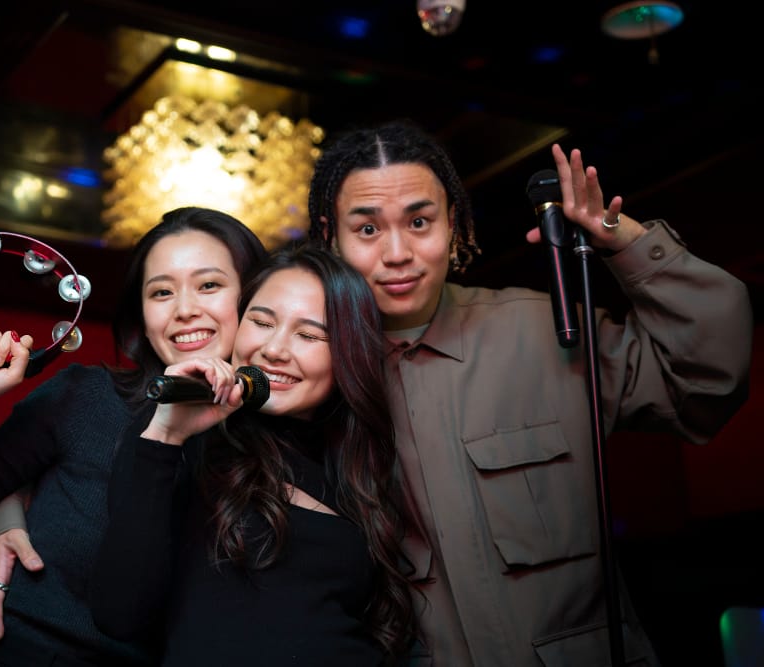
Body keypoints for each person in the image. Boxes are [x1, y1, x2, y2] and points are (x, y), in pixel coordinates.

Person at [305, 119, 753, 666]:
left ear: (454, 222)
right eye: (368, 229)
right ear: (331, 235)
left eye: (419, 221)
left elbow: (706, 380)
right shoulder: (314, 374)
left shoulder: (544, 330)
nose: (397, 252)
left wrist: (628, 244)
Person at [0, 206, 269, 666]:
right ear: (141, 313)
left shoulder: (282, 435)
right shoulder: (86, 397)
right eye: (161, 292)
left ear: (255, 296)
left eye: (209, 285)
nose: (184, 310)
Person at [88, 245, 419, 666]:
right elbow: (119, 614)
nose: (274, 349)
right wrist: (166, 436)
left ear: (347, 353)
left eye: (308, 335)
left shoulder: (357, 467)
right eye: (261, 323)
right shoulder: (179, 441)